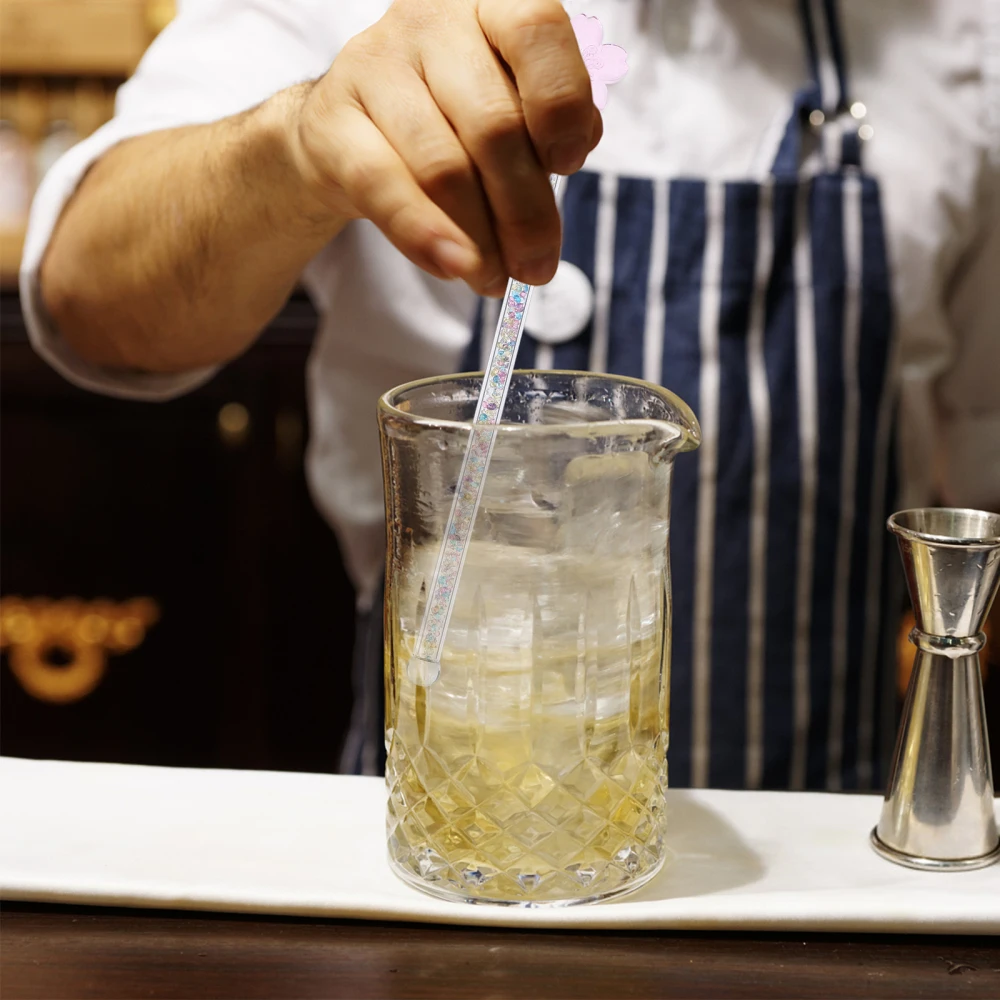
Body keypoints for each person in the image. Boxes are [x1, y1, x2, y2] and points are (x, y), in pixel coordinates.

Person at [21, 0, 1000, 790]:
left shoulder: (966, 36)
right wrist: (298, 144)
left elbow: (982, 482)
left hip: (819, 848)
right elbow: (86, 300)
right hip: (448, 813)